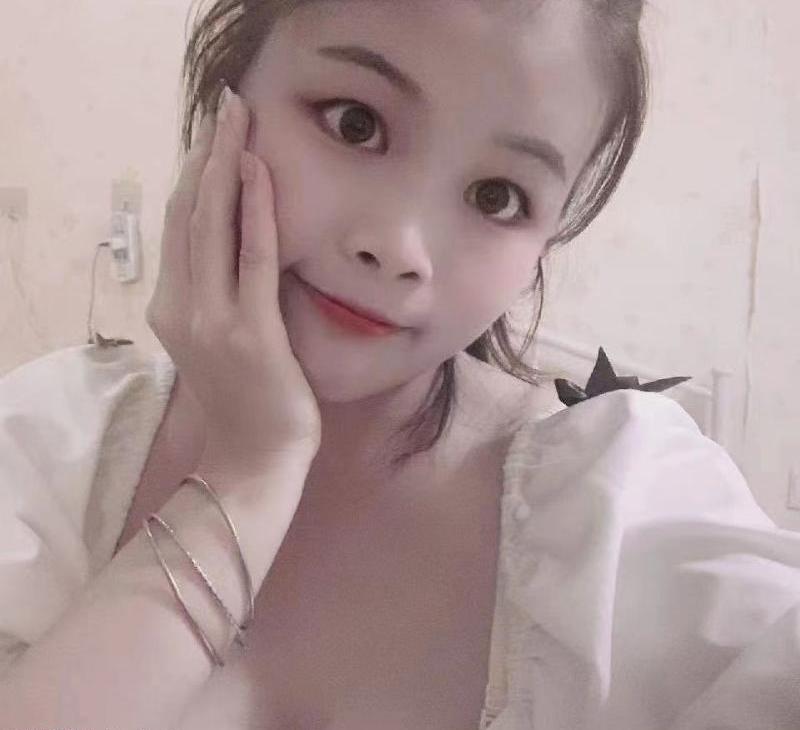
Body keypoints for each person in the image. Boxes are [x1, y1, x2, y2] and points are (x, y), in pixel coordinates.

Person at [1, 1, 798, 729]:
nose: (399, 246)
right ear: (225, 99)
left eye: (497, 196)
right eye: (355, 124)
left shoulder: (620, 517)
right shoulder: (49, 451)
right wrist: (249, 472)